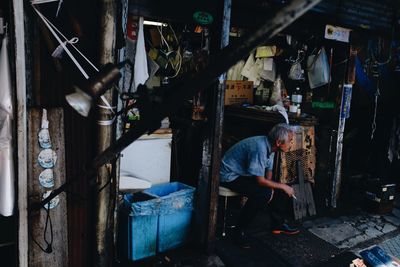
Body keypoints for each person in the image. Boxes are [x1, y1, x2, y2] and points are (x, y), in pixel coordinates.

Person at [220, 123, 299, 247]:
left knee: (277, 188)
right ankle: (238, 232)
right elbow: (260, 181)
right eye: (290, 141)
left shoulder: (271, 146)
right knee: (263, 194)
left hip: (242, 173)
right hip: (228, 175)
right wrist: (277, 187)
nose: (291, 144)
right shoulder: (260, 148)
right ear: (279, 142)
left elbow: (269, 170)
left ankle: (277, 224)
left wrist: (274, 188)